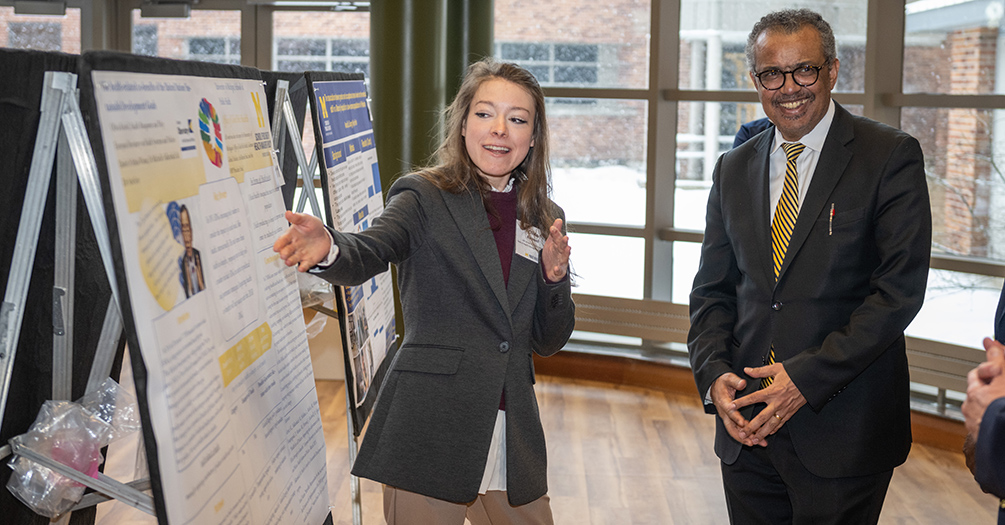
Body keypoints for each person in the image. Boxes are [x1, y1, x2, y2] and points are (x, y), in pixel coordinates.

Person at [273, 59, 575, 524]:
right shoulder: (423, 196)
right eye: (484, 113)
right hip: (432, 425)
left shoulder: (543, 213)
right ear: (462, 123)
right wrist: (331, 245)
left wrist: (555, 281)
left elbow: (547, 340)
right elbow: (371, 249)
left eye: (517, 119)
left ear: (533, 137)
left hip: (510, 431)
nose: (499, 130)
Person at [687, 8, 931, 524]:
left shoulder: (889, 156)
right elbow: (712, 291)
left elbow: (897, 296)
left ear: (833, 71)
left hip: (843, 431)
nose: (789, 87)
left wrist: (804, 379)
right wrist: (713, 377)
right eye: (771, 74)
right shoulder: (733, 168)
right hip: (746, 427)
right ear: (755, 80)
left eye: (805, 70)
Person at [178, 204, 205, 298]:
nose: (186, 236)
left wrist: (201, 283)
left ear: (191, 232)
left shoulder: (200, 256)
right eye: (183, 230)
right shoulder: (183, 264)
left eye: (187, 228)